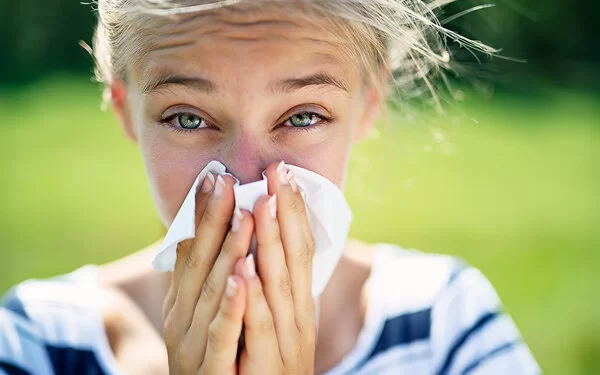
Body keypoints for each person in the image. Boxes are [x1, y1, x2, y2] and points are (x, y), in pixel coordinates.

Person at [0, 1, 540, 374]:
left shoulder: (446, 329)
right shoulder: (36, 344)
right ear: (126, 111)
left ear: (366, 107)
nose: (245, 181)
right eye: (188, 119)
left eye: (302, 116)